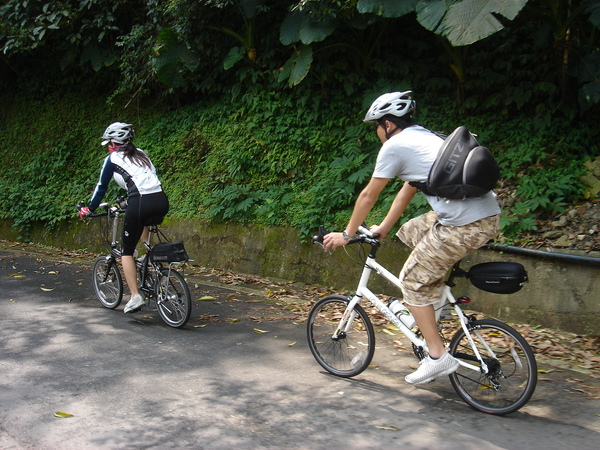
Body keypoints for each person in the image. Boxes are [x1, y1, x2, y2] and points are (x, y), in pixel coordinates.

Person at [322, 91, 501, 384]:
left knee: (411, 281)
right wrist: (383, 227)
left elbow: (368, 195)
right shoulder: (426, 137)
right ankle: (433, 302)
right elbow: (410, 188)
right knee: (411, 230)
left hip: (464, 226)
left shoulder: (395, 146)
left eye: (376, 126)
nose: (377, 132)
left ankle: (437, 356)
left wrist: (347, 234)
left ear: (388, 125)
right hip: (485, 216)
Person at [79, 122, 169, 314]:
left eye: (108, 143)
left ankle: (136, 296)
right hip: (161, 200)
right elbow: (147, 179)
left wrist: (89, 208)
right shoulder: (142, 153)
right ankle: (148, 254)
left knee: (126, 251)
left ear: (113, 142)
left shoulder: (112, 158)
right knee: (143, 219)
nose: (108, 146)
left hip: (141, 202)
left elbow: (101, 187)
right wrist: (130, 201)